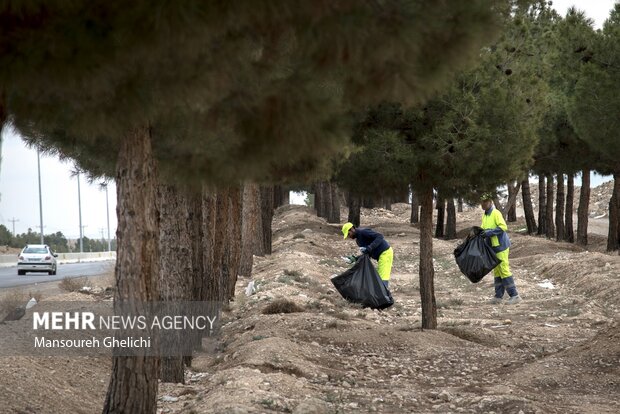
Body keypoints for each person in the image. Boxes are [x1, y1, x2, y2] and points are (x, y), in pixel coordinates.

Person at [480, 193, 522, 304]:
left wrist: (489, 233)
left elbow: (503, 227)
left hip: (501, 246)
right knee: (497, 270)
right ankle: (498, 296)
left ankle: (515, 295)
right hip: (492, 247)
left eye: (485, 202)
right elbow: (483, 229)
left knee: (503, 269)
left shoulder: (496, 213)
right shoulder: (485, 215)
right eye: (481, 202)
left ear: (490, 202)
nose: (482, 205)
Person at [341, 222, 394, 288]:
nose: (349, 236)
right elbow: (367, 254)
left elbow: (380, 236)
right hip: (380, 256)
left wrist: (370, 247)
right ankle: (381, 294)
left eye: (349, 234)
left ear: (352, 229)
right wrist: (355, 259)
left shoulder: (363, 232)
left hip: (385, 252)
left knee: (383, 276)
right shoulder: (358, 241)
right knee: (379, 276)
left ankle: (384, 296)